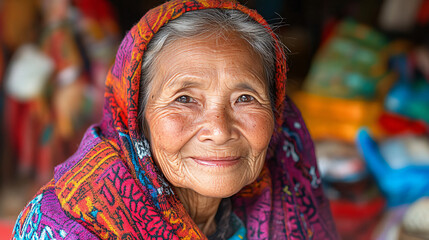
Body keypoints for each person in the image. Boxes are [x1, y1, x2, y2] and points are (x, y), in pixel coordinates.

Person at [12, 0, 339, 239]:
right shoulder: (72, 226)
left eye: (245, 98)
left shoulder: (284, 190)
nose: (219, 130)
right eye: (184, 99)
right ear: (137, 116)